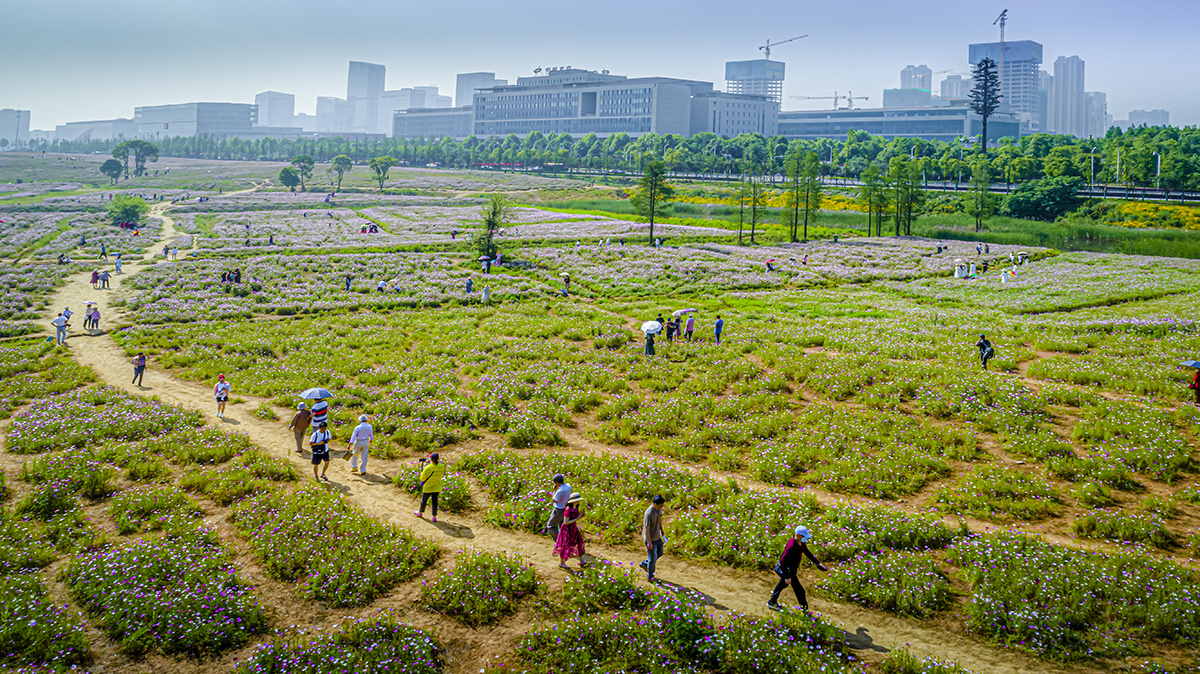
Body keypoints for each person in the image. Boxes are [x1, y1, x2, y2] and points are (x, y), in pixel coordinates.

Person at [767, 525, 827, 612]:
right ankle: (805, 611)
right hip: (787, 570)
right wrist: (787, 576)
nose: (806, 538)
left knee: (782, 585)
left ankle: (772, 602)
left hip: (791, 570)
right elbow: (783, 560)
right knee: (800, 591)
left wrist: (817, 563)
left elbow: (806, 551)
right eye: (804, 536)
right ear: (798, 535)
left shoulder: (801, 543)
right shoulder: (791, 546)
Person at [554, 493, 587, 569]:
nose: (578, 502)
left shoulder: (575, 508)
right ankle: (561, 562)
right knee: (566, 545)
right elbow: (566, 522)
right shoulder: (568, 509)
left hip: (573, 528)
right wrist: (577, 519)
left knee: (579, 542)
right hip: (567, 529)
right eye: (577, 500)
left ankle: (581, 560)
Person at [640, 495, 666, 582]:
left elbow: (659, 520)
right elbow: (646, 529)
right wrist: (649, 542)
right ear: (655, 504)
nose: (661, 507)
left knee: (660, 553)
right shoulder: (649, 513)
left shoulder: (658, 510)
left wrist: (661, 530)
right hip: (650, 538)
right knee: (652, 558)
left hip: (657, 537)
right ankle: (650, 577)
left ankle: (644, 563)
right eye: (660, 506)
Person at [415, 453, 446, 521]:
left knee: (424, 500)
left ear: (431, 459)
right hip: (437, 486)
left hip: (428, 487)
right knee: (434, 501)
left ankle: (420, 512)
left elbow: (422, 478)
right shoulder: (441, 466)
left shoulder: (427, 468)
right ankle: (434, 516)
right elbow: (441, 475)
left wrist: (422, 479)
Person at [545, 474, 572, 541]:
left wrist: (555, 490)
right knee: (562, 526)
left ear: (556, 482)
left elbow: (554, 500)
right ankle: (565, 540)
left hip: (559, 510)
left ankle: (559, 541)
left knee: (550, 526)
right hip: (566, 508)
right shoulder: (568, 486)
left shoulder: (559, 491)